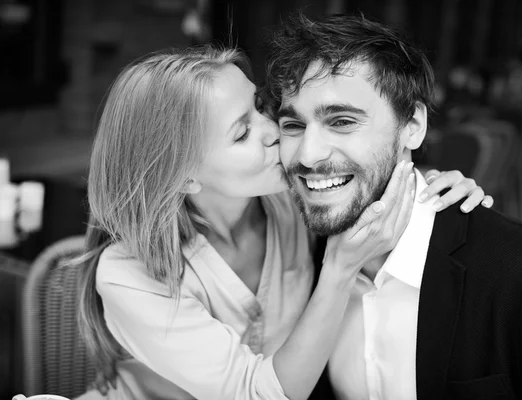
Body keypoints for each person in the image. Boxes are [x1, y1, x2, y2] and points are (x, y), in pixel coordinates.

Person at [72, 46, 493, 400]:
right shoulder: (127, 273)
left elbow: (369, 183)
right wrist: (339, 270)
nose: (273, 130)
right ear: (183, 175)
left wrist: (428, 187)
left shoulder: (289, 202)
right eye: (241, 134)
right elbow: (257, 394)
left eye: (259, 107)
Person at [265, 13, 522, 400]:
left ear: (413, 125)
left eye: (342, 121)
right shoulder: (294, 261)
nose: (308, 155)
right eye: (292, 126)